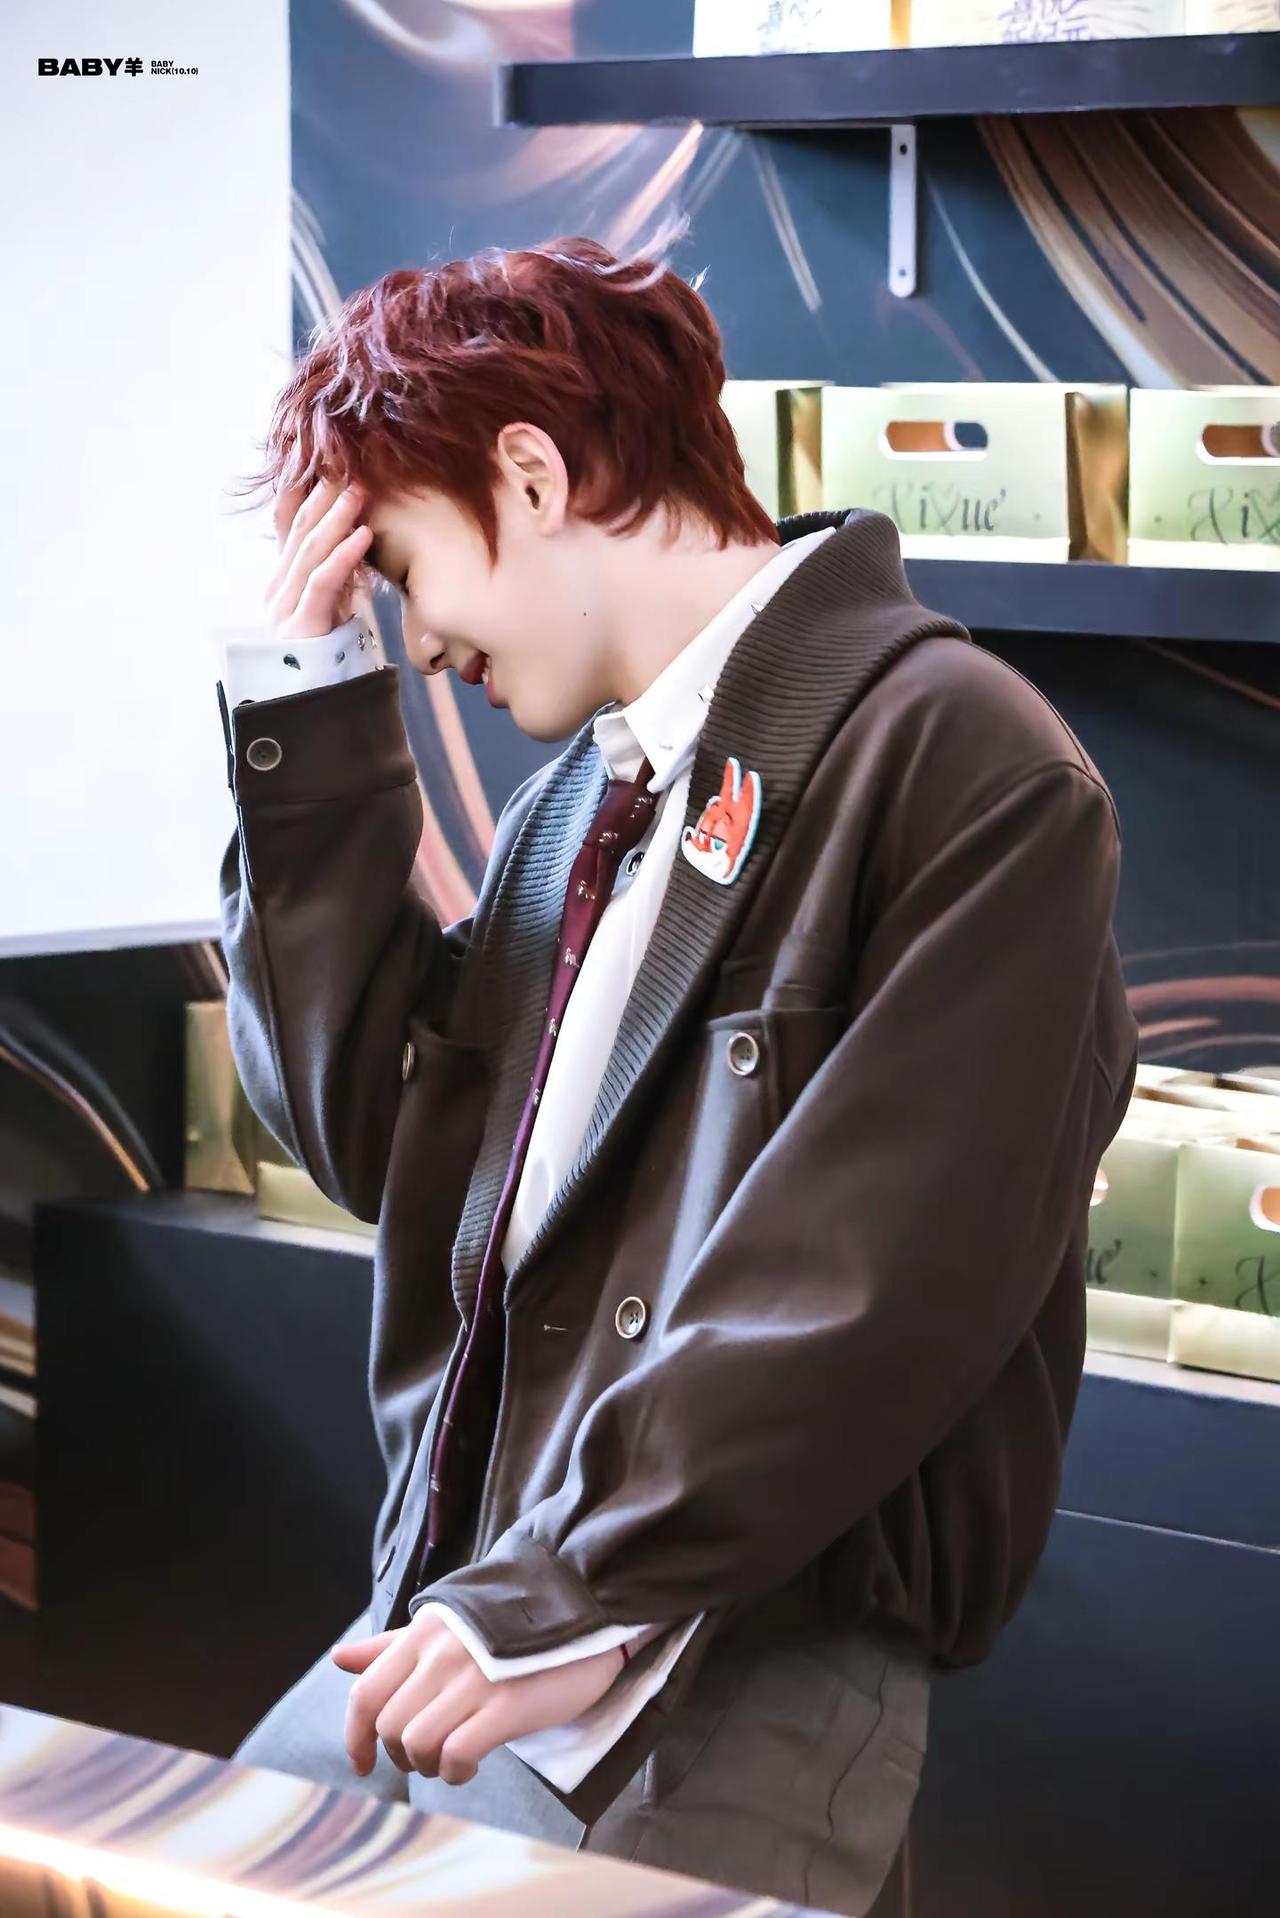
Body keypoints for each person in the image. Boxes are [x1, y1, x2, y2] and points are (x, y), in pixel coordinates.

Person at [216, 229, 1140, 1915]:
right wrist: (307, 719)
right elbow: (371, 1135)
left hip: (716, 1657)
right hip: (478, 1626)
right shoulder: (579, 805)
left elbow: (874, 1278)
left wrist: (571, 1586)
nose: (417, 640)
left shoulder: (966, 761)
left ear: (531, 473)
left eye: (407, 569)